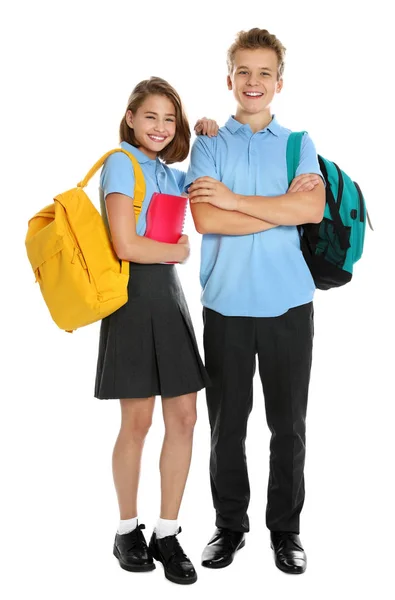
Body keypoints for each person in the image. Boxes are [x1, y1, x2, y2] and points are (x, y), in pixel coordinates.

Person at [185, 28, 325, 575]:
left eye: (264, 72)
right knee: (227, 426)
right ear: (229, 78)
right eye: (243, 71)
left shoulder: (300, 144)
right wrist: (276, 207)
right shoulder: (208, 143)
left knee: (288, 426)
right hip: (226, 306)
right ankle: (229, 525)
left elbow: (309, 212)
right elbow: (205, 218)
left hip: (289, 304)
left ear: (279, 83)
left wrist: (237, 200)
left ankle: (285, 531)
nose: (253, 81)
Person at [94, 76, 218, 585]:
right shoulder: (120, 163)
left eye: (170, 118)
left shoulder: (167, 173)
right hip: (133, 298)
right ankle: (128, 530)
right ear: (130, 118)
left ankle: (167, 533)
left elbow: (202, 182)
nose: (161, 127)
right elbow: (125, 244)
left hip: (168, 298)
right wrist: (180, 251)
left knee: (185, 417)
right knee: (138, 422)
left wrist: (209, 135)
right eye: (151, 116)